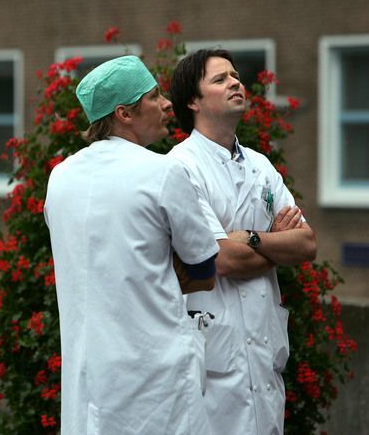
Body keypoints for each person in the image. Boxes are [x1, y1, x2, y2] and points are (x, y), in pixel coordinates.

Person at [44, 55, 220, 434]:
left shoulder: (60, 178)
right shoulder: (164, 172)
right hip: (155, 375)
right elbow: (205, 270)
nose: (167, 103)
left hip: (89, 376)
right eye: (154, 96)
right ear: (124, 113)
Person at [167, 49, 318, 435]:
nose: (236, 82)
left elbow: (306, 245)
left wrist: (250, 238)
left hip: (264, 358)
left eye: (235, 75)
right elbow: (221, 261)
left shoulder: (260, 165)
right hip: (215, 365)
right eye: (220, 79)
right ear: (192, 100)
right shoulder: (181, 166)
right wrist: (273, 245)